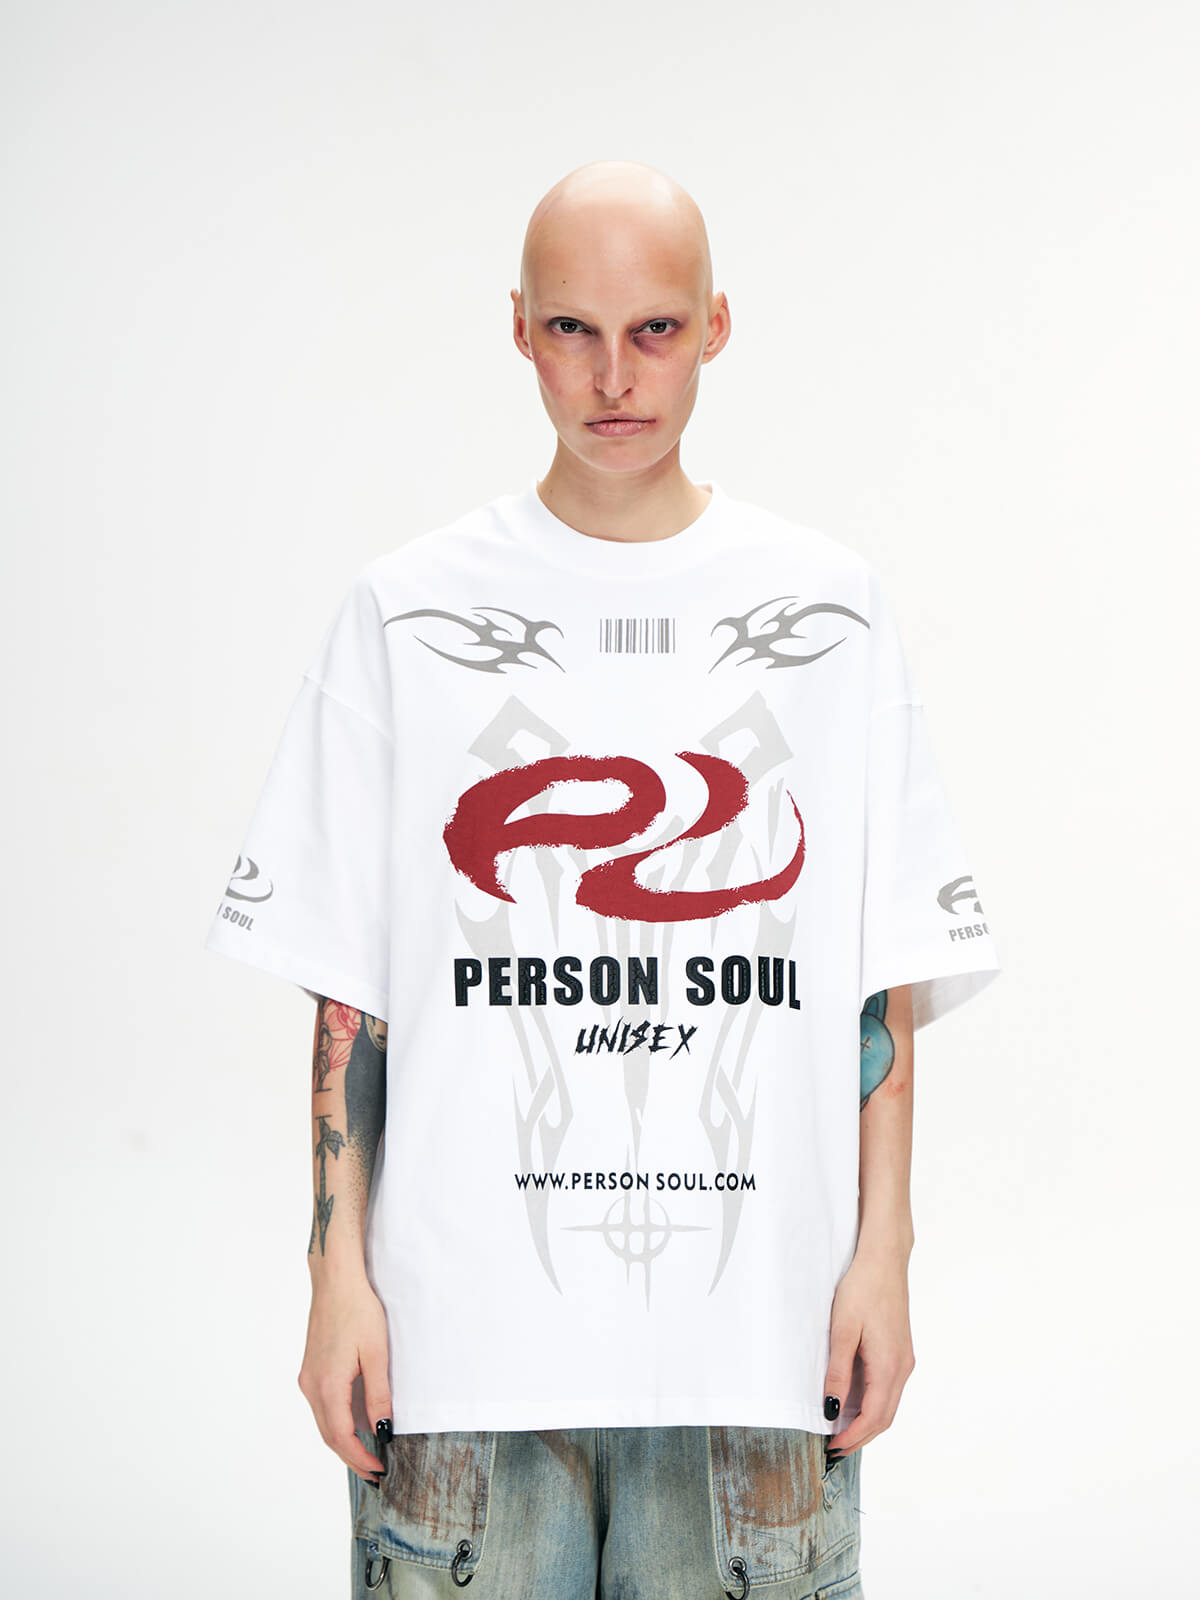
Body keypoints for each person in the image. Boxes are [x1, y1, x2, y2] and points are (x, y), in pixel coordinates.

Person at [204, 159, 1001, 1598]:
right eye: (573, 329)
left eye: (656, 331)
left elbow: (880, 977)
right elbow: (347, 989)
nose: (614, 378)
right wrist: (335, 1277)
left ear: (717, 328)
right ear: (519, 328)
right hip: (461, 1355)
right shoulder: (408, 613)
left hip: (757, 1354)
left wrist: (885, 1254)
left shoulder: (827, 614)